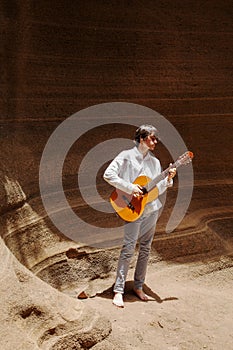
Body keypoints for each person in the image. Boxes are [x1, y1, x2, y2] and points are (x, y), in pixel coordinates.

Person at [103, 124, 176, 308]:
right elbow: (108, 174)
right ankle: (118, 290)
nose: (156, 141)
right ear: (142, 139)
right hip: (132, 209)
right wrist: (130, 187)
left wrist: (168, 180)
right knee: (128, 248)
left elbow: (155, 190)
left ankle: (138, 286)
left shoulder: (155, 162)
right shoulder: (125, 156)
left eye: (156, 138)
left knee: (145, 248)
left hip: (151, 210)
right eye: (152, 138)